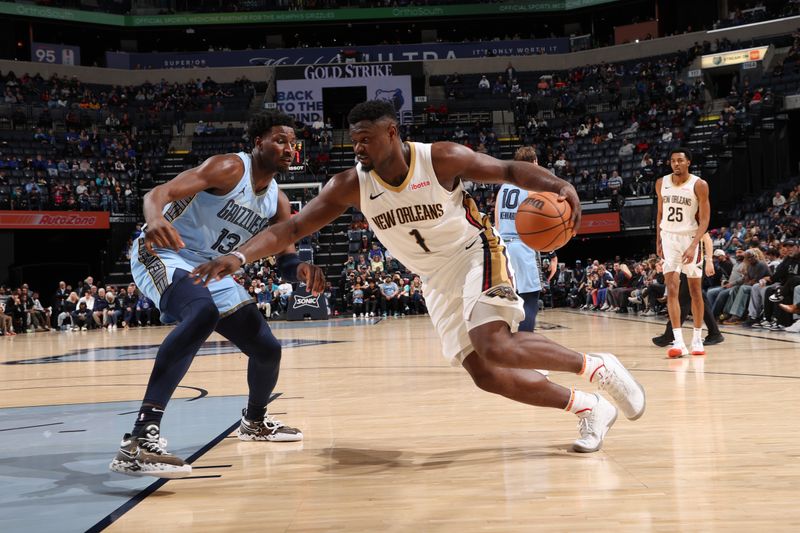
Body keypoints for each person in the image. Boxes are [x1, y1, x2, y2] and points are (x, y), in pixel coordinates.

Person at [193, 100, 645, 453]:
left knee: (495, 342)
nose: (359, 148)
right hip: (434, 277)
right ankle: (589, 406)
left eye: (366, 139)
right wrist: (238, 256)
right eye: (354, 140)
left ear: (392, 133)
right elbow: (291, 228)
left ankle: (598, 367)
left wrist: (559, 186)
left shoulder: (440, 159)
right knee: (485, 373)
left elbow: (507, 170)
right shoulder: (350, 184)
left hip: (475, 253)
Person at [109, 110, 323, 479]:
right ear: (258, 143)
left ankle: (254, 421)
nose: (289, 148)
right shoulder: (229, 168)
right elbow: (157, 193)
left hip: (211, 267)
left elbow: (286, 257)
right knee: (202, 313)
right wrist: (156, 217)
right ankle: (139, 440)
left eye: (293, 143)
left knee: (267, 349)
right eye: (280, 140)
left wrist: (299, 269)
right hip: (163, 251)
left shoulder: (278, 200)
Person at [655, 148, 710, 358]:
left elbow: (704, 220)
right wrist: (658, 239)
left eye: (680, 160)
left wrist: (694, 244)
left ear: (688, 162)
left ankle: (697, 338)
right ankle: (678, 341)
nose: (676, 164)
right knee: (671, 287)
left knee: (695, 290)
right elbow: (659, 213)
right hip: (668, 237)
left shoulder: (699, 185)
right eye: (672, 161)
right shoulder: (661, 183)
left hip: (689, 238)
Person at [494, 146, 543, 331]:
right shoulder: (532, 188)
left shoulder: (503, 188)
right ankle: (525, 342)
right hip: (522, 246)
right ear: (535, 163)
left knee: (509, 299)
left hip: (503, 248)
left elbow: (497, 223)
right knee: (530, 297)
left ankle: (506, 341)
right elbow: (539, 223)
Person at [652, 233, 724, 347]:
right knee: (698, 298)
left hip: (697, 261)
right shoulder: (676, 226)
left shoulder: (694, 219)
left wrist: (709, 260)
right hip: (685, 261)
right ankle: (714, 333)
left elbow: (707, 240)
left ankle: (670, 335)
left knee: (684, 298)